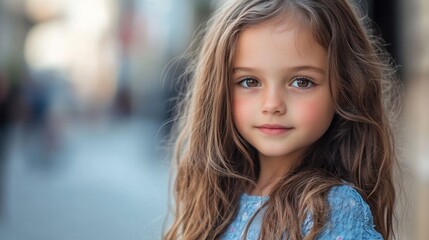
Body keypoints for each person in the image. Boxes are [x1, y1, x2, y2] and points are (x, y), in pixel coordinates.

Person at [164, 0, 400, 239]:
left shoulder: (330, 210)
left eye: (301, 81)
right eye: (249, 81)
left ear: (345, 88)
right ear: (219, 91)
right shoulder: (218, 198)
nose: (272, 105)